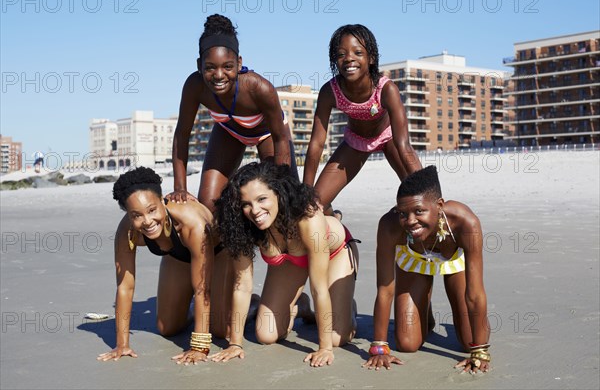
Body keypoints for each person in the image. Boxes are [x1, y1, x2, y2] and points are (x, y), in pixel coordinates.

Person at [211, 161, 358, 367]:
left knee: (335, 339)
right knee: (266, 334)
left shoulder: (307, 218)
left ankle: (347, 308)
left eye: (262, 199)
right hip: (292, 262)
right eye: (246, 204)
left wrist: (324, 348)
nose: (255, 210)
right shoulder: (244, 227)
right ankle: (299, 304)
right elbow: (242, 285)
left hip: (335, 253)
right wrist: (236, 344)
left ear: (278, 193)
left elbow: (319, 287)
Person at [97, 167, 233, 365]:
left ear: (162, 200)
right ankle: (196, 309)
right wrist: (122, 344)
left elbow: (203, 288)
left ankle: (249, 304)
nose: (147, 221)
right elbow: (125, 287)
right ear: (128, 214)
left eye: (152, 210)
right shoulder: (127, 231)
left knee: (221, 330)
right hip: (178, 256)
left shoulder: (191, 224)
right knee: (167, 327)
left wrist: (199, 347)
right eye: (137, 215)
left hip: (218, 253)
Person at [362, 166, 491, 373]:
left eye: (419, 211)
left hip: (453, 261)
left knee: (470, 342)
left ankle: (434, 311)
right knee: (407, 344)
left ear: (439, 205)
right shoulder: (389, 225)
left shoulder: (466, 223)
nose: (410, 221)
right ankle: (423, 311)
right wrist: (379, 347)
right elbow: (385, 289)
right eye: (403, 213)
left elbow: (474, 294)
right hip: (414, 261)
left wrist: (480, 352)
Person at [168, 14, 296, 210]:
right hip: (229, 133)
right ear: (199, 66)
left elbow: (280, 138)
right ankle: (232, 238)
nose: (219, 75)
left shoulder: (259, 88)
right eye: (210, 68)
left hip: (268, 135)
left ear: (238, 63)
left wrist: (283, 186)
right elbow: (182, 135)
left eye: (227, 67)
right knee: (209, 203)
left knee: (284, 201)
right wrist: (180, 188)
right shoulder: (194, 86)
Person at [303, 24, 422, 214]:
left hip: (389, 138)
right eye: (341, 54)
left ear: (371, 58)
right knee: (313, 206)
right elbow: (317, 144)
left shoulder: (386, 89)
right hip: (355, 142)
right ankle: (336, 226)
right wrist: (305, 190)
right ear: (335, 60)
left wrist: (427, 190)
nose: (349, 58)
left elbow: (404, 146)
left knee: (420, 199)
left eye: (358, 52)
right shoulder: (329, 91)